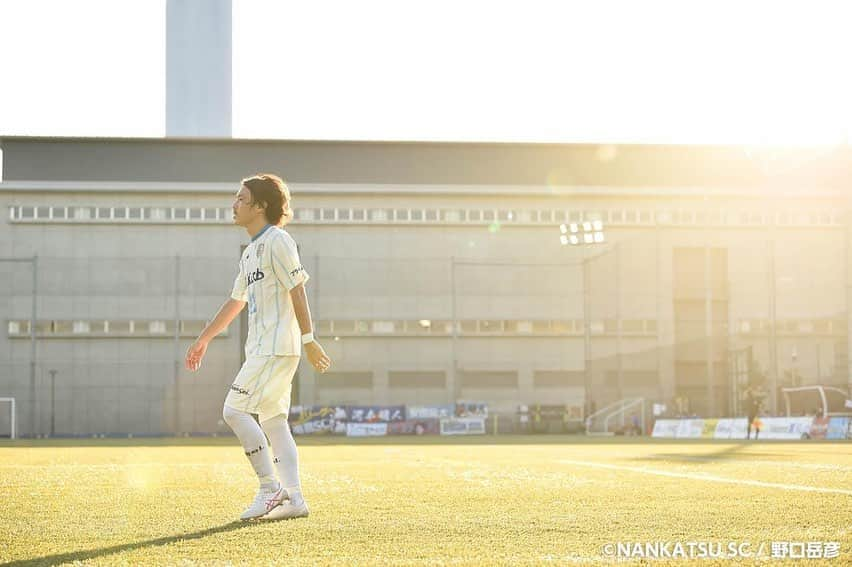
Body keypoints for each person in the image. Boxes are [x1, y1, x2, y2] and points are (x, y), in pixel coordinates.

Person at [185, 173, 331, 521]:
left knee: (234, 410)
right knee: (274, 421)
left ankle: (270, 488)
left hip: (276, 347)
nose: (234, 204)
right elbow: (235, 302)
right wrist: (204, 338)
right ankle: (294, 499)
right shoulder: (250, 253)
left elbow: (298, 289)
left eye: (240, 198)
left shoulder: (278, 241)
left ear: (261, 206)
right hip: (265, 349)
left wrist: (309, 340)